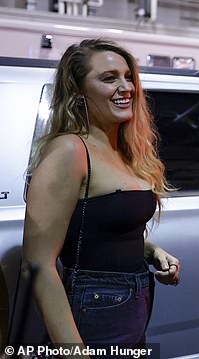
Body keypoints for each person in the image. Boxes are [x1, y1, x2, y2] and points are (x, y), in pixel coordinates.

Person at [23, 39, 180, 353]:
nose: (126, 87)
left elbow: (97, 225)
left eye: (127, 77)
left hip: (133, 307)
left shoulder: (126, 152)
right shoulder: (70, 150)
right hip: (94, 310)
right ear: (78, 91)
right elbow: (38, 263)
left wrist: (150, 251)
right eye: (109, 78)